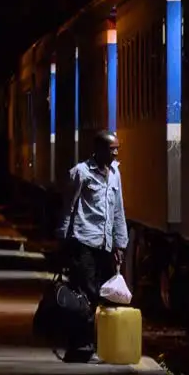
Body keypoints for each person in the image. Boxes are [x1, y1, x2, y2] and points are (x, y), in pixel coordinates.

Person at [57, 130, 128, 362]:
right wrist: (64, 238)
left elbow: (118, 211)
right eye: (112, 148)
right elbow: (69, 207)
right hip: (84, 241)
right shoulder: (82, 173)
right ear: (98, 150)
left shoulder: (115, 174)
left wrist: (120, 243)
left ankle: (92, 344)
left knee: (102, 295)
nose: (116, 152)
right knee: (86, 294)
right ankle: (82, 345)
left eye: (117, 148)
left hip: (105, 244)